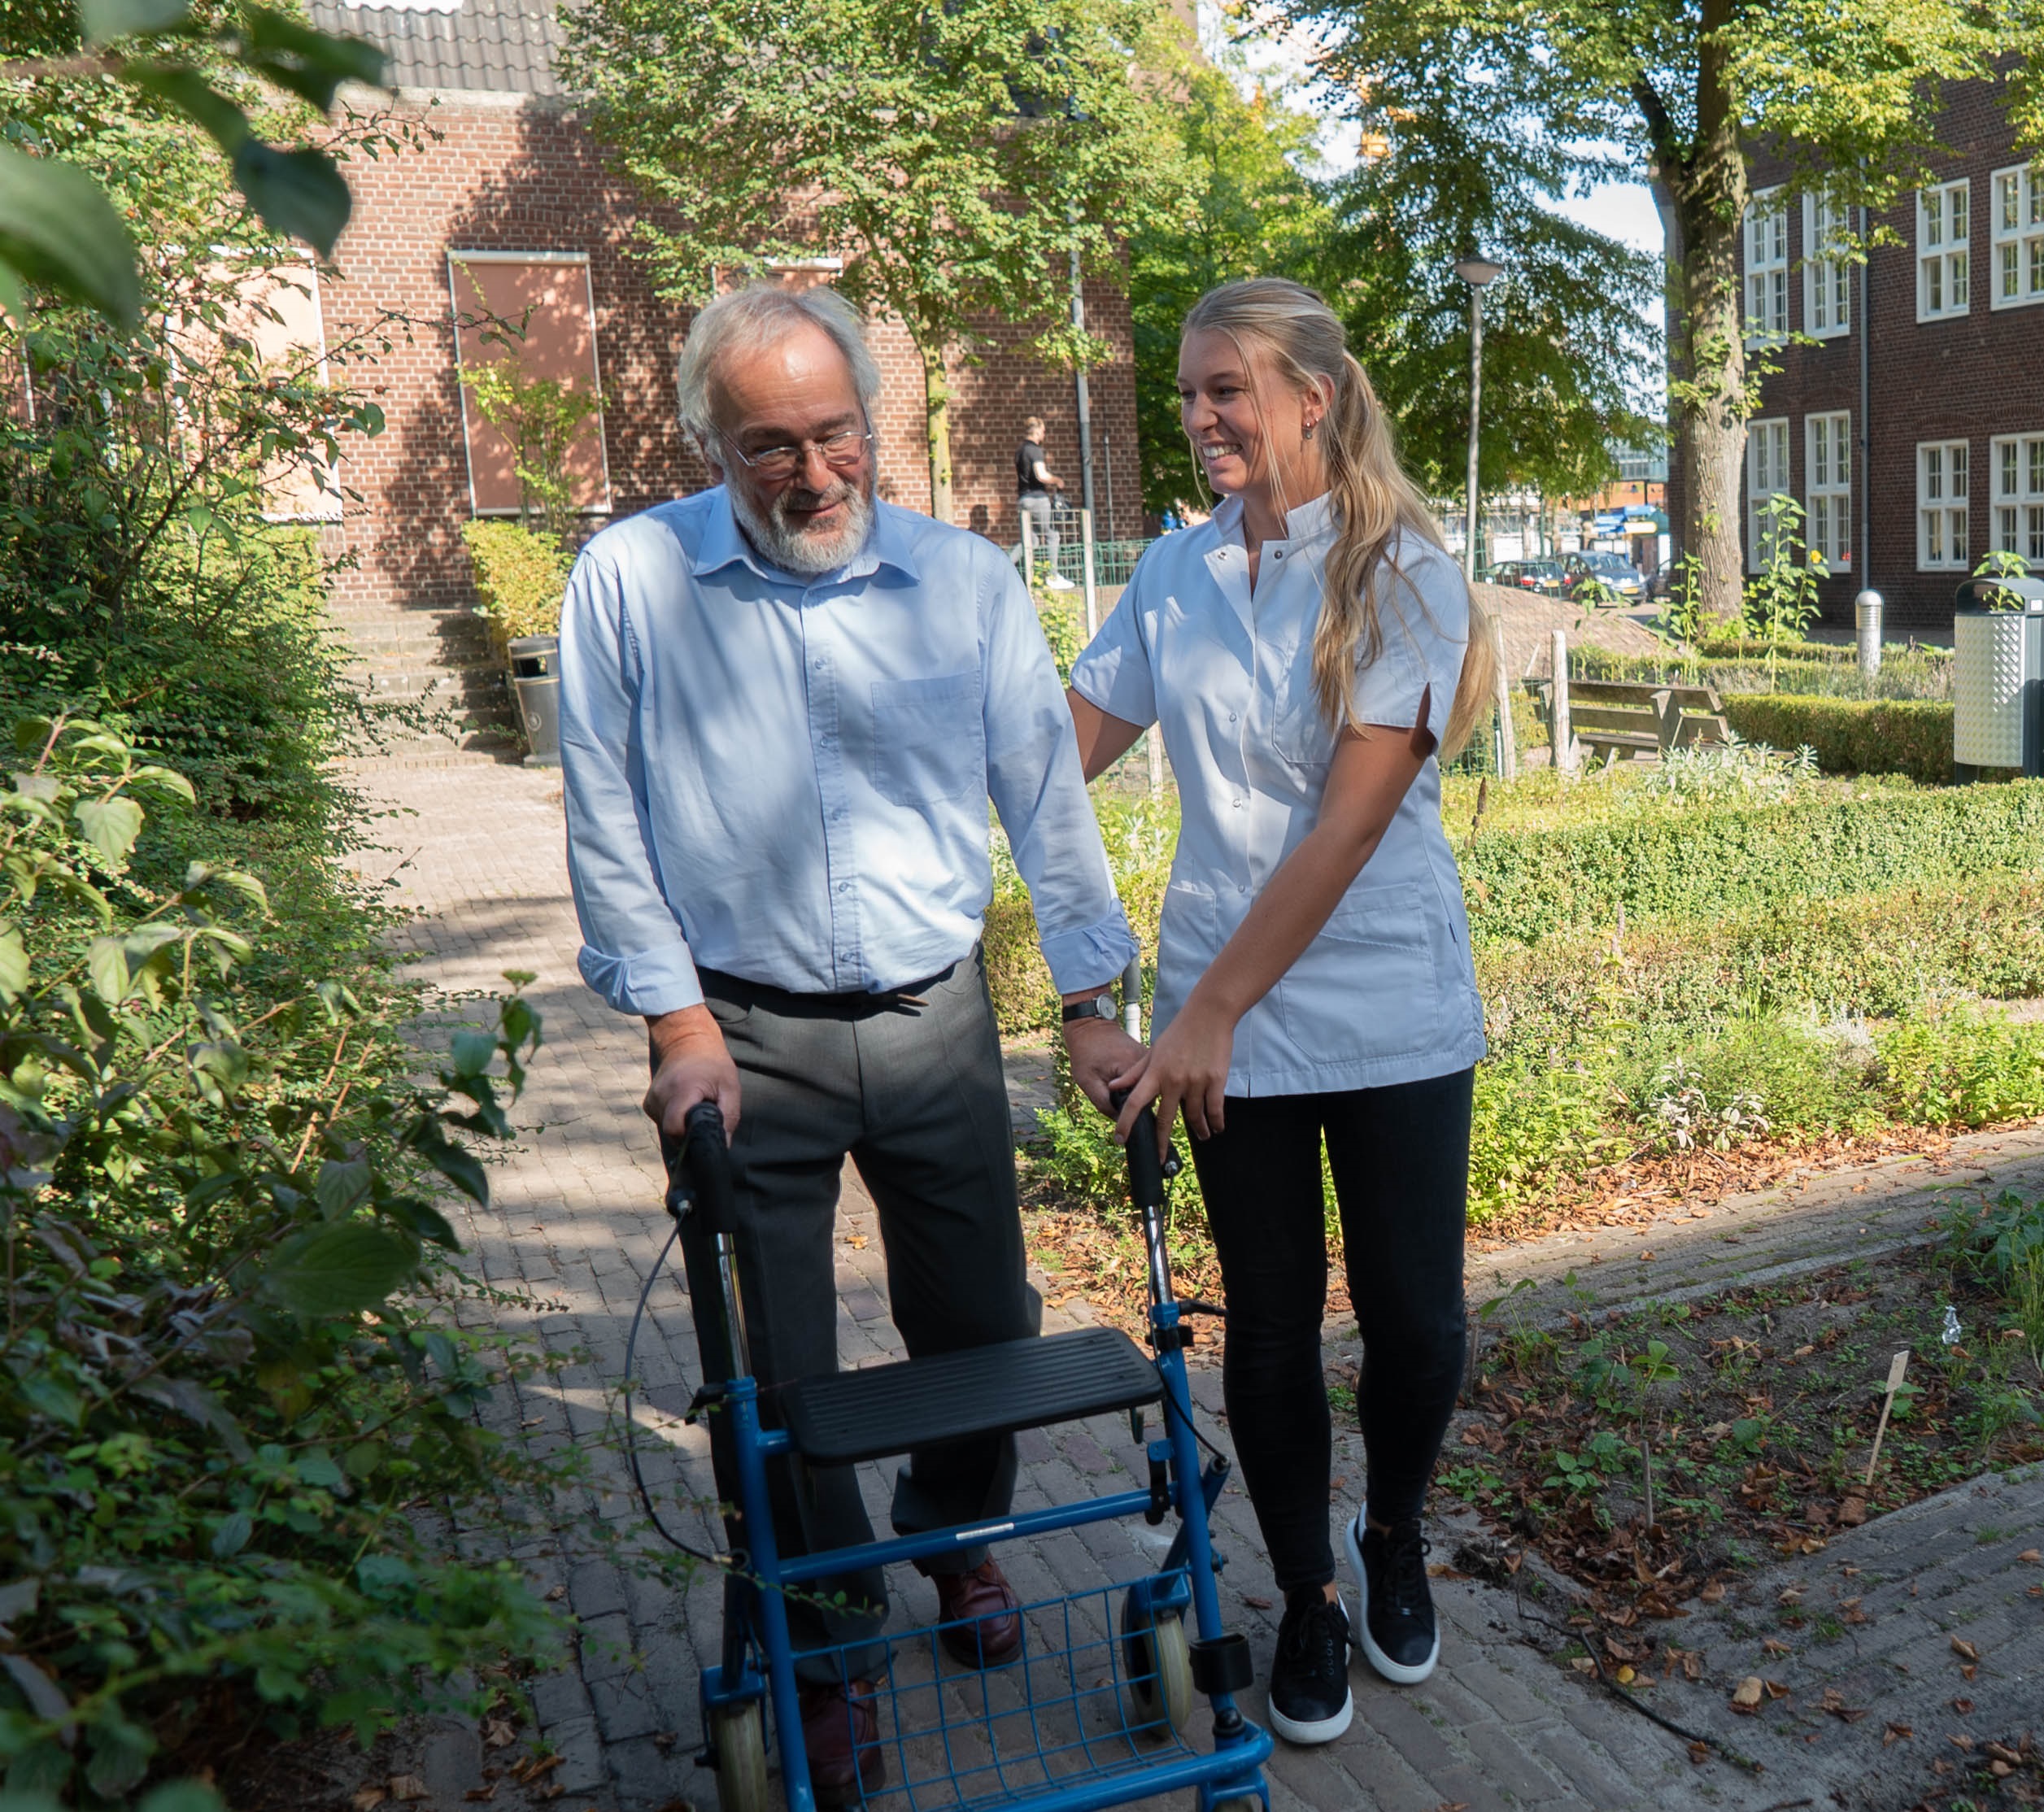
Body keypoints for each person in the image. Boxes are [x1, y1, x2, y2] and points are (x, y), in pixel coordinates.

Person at [558, 282, 1142, 1806]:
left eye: (838, 433)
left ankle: (951, 1540)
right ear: (706, 440)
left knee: (983, 1323)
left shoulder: (965, 583)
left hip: (936, 1013)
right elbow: (604, 813)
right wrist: (675, 1020)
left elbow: (1045, 797)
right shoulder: (632, 580)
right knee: (781, 1372)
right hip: (743, 1035)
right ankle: (829, 1643)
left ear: (871, 421)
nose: (814, 471)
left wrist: (1089, 1002)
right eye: (770, 445)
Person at [1066, 277, 1492, 1747]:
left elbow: (1347, 828)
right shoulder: (1173, 574)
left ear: (1314, 394)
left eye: (1226, 389)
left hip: (1383, 1004)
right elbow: (1058, 758)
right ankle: (1307, 1592)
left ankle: (1394, 1534)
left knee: (1416, 1320)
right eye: (1187, 393)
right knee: (1269, 1326)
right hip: (1218, 1017)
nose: (1198, 418)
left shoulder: (1405, 574)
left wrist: (1203, 1013)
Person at [1013, 413, 1074, 588]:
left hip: (1023, 499)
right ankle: (1053, 576)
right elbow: (1041, 475)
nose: (1044, 435)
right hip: (1037, 499)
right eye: (1043, 432)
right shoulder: (1035, 450)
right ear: (1037, 432)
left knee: (1030, 541)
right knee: (1052, 536)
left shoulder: (1020, 451)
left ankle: (1006, 566)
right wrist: (1057, 481)